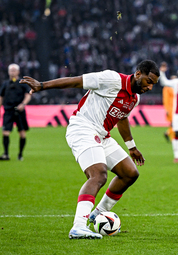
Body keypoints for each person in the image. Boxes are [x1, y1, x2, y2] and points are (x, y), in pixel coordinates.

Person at [20, 60, 160, 239]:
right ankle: (78, 226)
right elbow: (77, 81)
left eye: (153, 84)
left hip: (102, 135)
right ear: (138, 73)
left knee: (130, 173)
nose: (150, 87)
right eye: (149, 81)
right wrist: (42, 85)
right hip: (83, 128)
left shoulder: (135, 98)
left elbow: (122, 117)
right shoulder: (111, 79)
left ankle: (97, 214)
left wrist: (131, 147)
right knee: (98, 174)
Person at [0, 64, 31, 161]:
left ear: (18, 72)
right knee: (5, 132)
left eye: (14, 70)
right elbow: (1, 97)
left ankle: (20, 154)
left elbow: (28, 95)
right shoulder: (5, 84)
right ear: (8, 72)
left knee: (22, 133)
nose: (12, 72)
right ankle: (6, 154)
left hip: (19, 111)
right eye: (11, 70)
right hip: (8, 110)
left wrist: (23, 104)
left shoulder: (22, 83)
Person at [162, 63, 175, 142]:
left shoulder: (175, 88)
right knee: (174, 124)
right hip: (170, 109)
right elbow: (166, 99)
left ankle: (167, 133)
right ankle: (173, 138)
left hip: (176, 108)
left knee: (174, 124)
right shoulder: (167, 88)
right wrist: (166, 109)